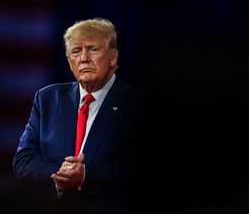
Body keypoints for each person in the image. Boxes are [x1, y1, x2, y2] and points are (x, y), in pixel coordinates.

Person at [13, 18, 155, 213]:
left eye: (93, 49)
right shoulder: (47, 98)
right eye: (76, 51)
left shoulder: (138, 104)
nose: (84, 58)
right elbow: (23, 160)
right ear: (69, 61)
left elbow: (146, 171)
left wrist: (86, 175)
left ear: (113, 57)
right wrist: (59, 174)